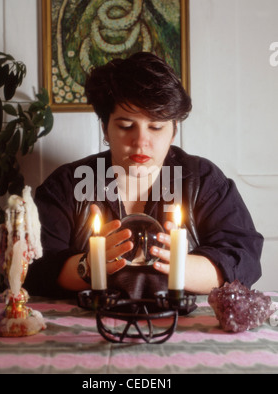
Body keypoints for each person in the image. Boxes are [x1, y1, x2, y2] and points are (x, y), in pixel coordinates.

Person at [24, 52, 263, 299]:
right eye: (126, 126)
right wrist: (87, 266)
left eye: (156, 127)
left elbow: (244, 259)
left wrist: (180, 267)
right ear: (105, 128)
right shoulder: (66, 184)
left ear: (173, 131)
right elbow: (35, 266)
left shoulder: (203, 180)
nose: (140, 142)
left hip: (182, 329)